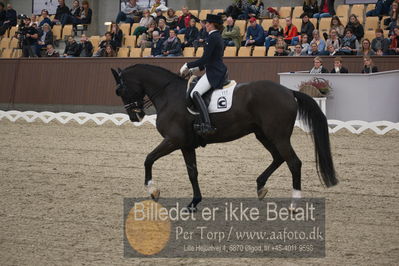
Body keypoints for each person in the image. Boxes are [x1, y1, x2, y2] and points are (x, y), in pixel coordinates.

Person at [179, 14, 226, 136]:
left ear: (211, 24)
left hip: (214, 72)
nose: (205, 25)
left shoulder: (213, 37)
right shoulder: (215, 36)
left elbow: (205, 59)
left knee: (195, 93)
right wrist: (194, 69)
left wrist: (188, 65)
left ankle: (207, 124)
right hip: (215, 68)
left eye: (207, 23)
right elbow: (210, 59)